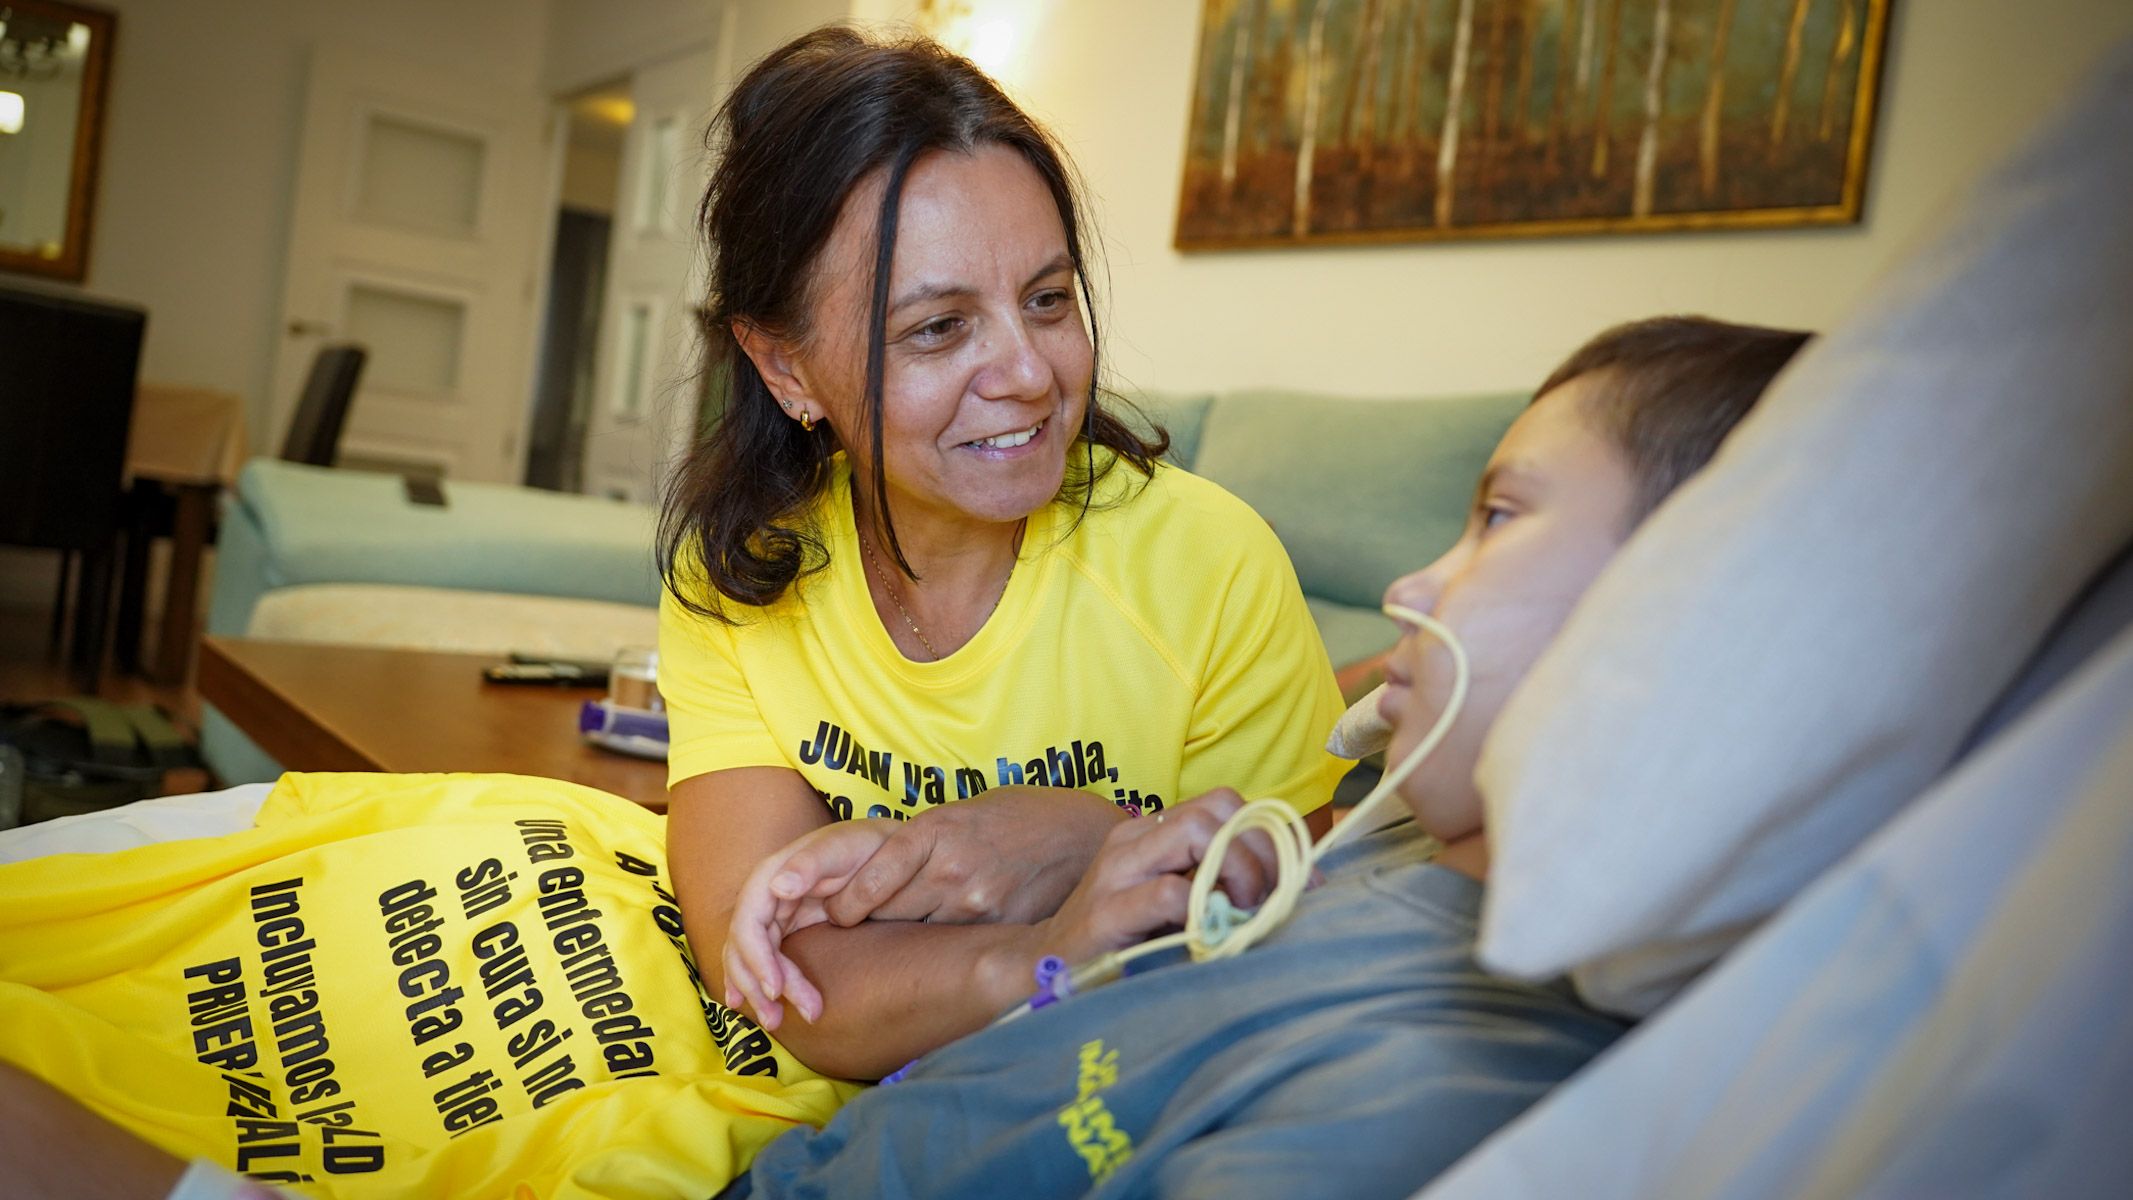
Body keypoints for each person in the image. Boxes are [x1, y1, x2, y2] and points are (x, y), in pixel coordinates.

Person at [715, 315, 1815, 1199]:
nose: (1409, 587)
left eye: (1497, 518)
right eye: (937, 328)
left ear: (1678, 619)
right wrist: (1097, 844)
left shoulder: (1420, 1089)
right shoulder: (1384, 861)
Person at [656, 27, 1347, 1081]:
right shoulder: (743, 576)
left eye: (1047, 299)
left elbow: (1290, 937)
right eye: (939, 328)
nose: (1028, 373)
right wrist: (1042, 953)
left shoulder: (1209, 565)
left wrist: (1088, 837)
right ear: (784, 366)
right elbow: (771, 973)